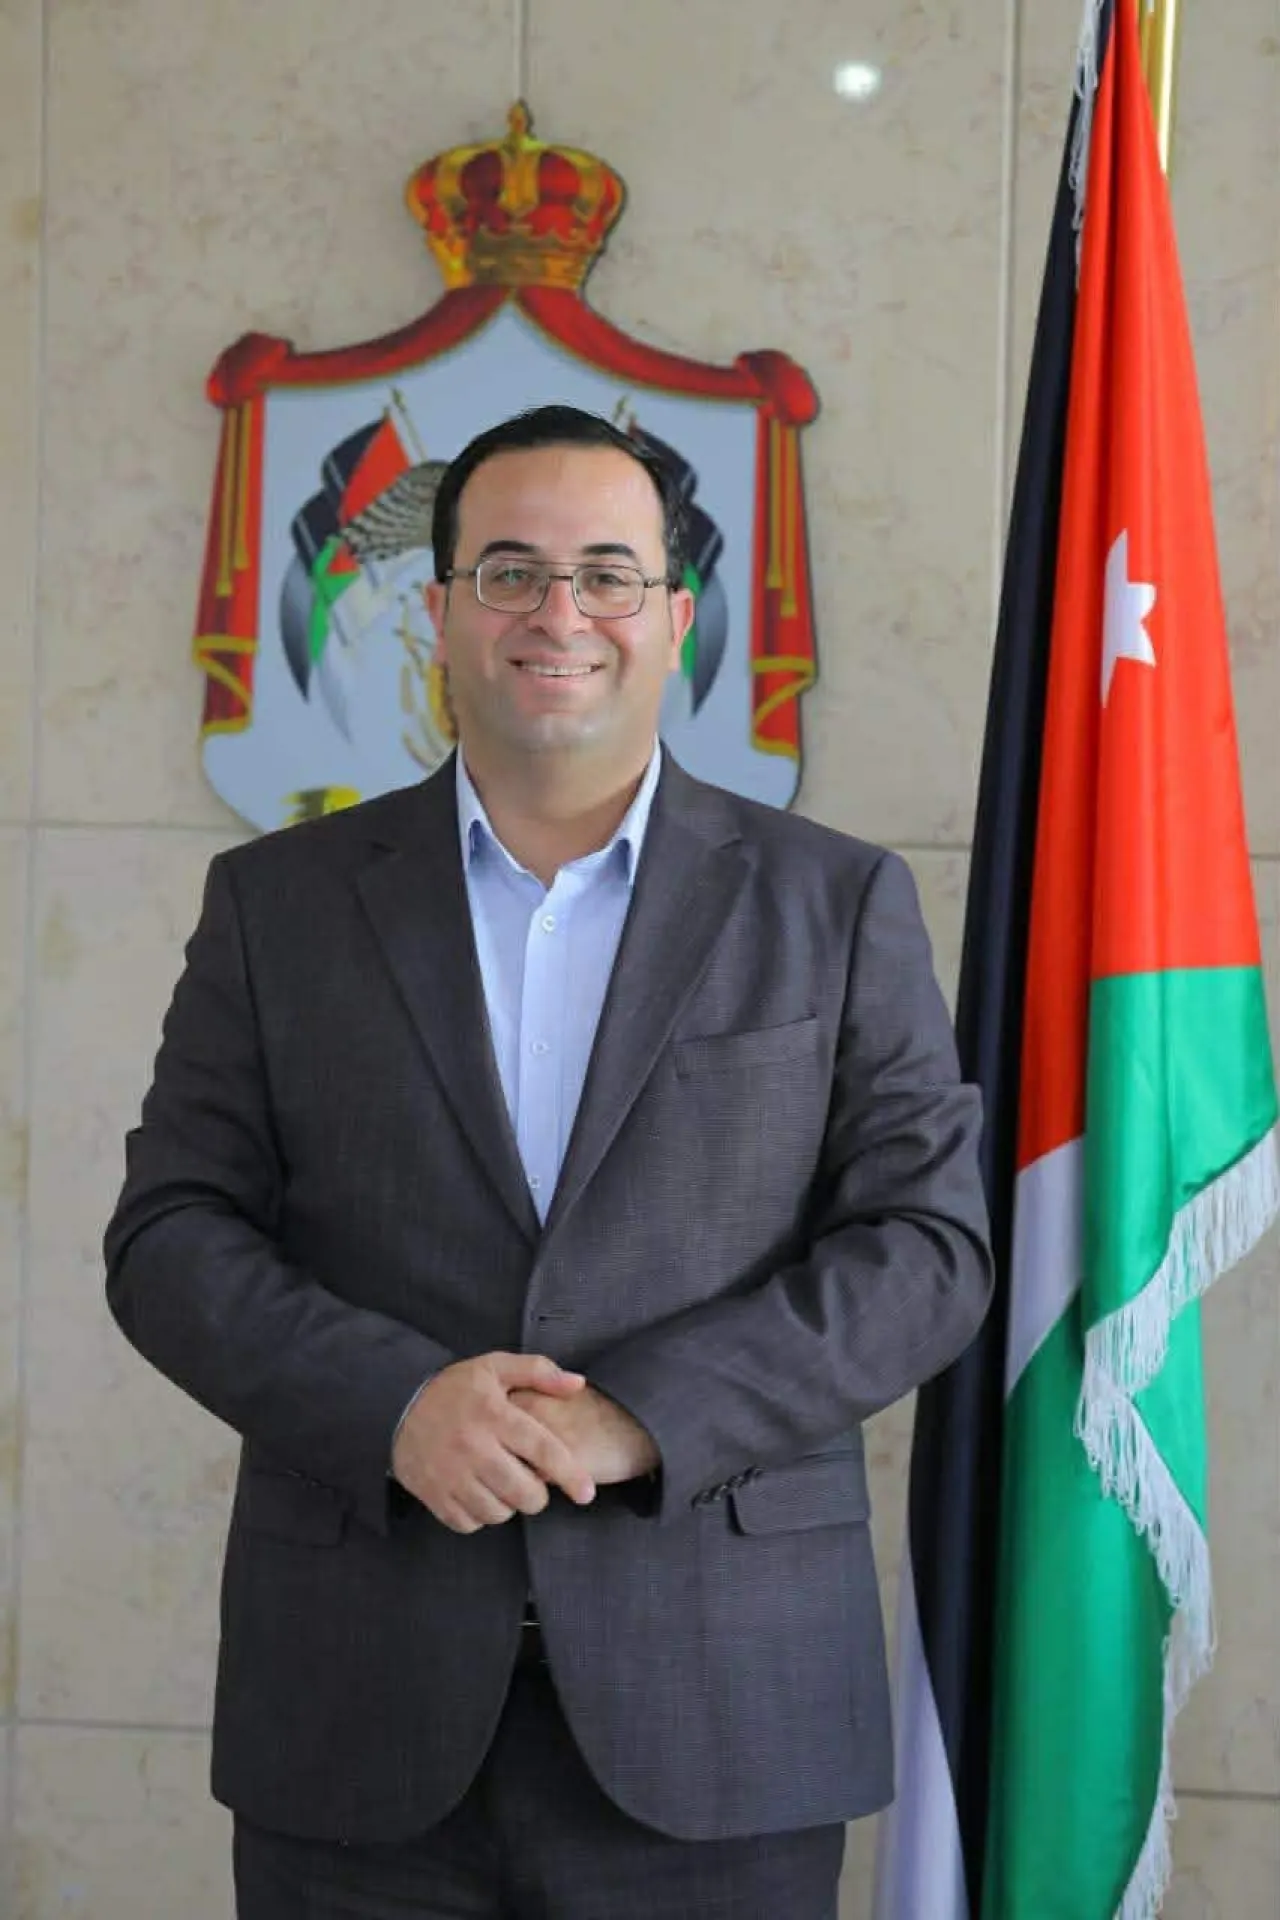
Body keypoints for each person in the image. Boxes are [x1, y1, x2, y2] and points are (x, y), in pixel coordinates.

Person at [104, 404, 993, 1920]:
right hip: (358, 1715)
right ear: (440, 609)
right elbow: (171, 1236)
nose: (559, 613)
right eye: (510, 571)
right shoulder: (277, 905)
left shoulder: (834, 901)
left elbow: (928, 1251)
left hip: (724, 1717)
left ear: (677, 617)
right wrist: (394, 1404)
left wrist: (641, 1418)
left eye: (607, 574)